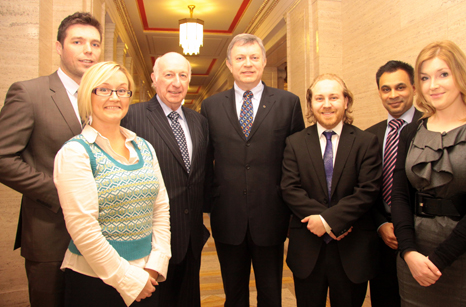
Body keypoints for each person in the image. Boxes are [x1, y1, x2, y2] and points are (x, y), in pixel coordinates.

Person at [0, 12, 102, 307]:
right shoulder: (30, 93)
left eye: (95, 44)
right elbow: (3, 156)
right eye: (78, 41)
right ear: (59, 47)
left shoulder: (103, 98)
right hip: (50, 235)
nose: (88, 50)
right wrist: (60, 192)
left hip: (99, 237)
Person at [53, 61, 171, 307]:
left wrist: (156, 265)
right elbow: (83, 228)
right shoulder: (76, 152)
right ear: (88, 94)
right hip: (95, 281)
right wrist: (127, 279)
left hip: (148, 277)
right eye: (104, 90)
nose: (114, 97)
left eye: (122, 90)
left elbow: (160, 209)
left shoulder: (144, 147)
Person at [392, 40, 466, 306]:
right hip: (415, 258)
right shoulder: (411, 132)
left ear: (461, 76)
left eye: (443, 74)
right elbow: (400, 196)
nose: (433, 85)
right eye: (425, 77)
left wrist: (439, 260)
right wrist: (408, 252)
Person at [200, 33, 304, 306]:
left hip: (271, 215)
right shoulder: (211, 106)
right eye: (240, 58)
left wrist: (293, 209)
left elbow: (296, 161)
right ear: (229, 64)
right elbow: (205, 161)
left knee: (271, 294)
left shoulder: (288, 102)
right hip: (227, 217)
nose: (248, 64)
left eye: (254, 57)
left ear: (264, 61)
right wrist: (209, 203)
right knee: (233, 294)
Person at [281, 73, 382, 307]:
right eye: (319, 98)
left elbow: (367, 190)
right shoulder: (294, 143)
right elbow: (289, 188)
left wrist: (328, 221)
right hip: (307, 250)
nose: (327, 104)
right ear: (310, 104)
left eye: (334, 97)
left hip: (352, 250)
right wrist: (324, 221)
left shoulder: (366, 142)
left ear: (346, 101)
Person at [121, 52, 210, 307]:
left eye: (183, 75)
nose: (176, 82)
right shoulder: (132, 117)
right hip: (149, 242)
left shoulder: (199, 122)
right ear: (154, 79)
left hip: (191, 239)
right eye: (169, 74)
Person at [365, 60, 422, 307]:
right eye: (386, 89)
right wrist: (380, 225)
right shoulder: (369, 136)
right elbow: (365, 189)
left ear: (414, 88)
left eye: (400, 87)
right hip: (382, 240)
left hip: (422, 236)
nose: (393, 95)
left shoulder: (430, 127)